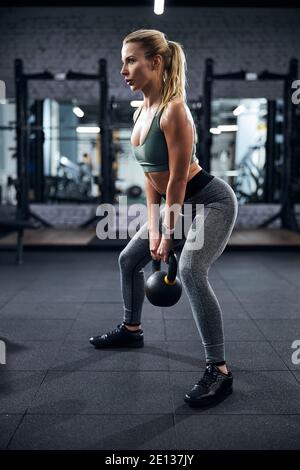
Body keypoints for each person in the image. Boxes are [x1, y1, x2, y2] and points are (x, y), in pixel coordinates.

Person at [90, 29, 238, 407]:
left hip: (209, 202)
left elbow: (176, 179)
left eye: (131, 60)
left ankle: (218, 371)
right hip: (175, 203)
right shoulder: (141, 112)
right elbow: (150, 178)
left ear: (155, 63)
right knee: (129, 259)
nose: (123, 69)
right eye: (123, 60)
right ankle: (132, 328)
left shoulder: (174, 110)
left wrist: (168, 235)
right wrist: (155, 231)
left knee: (189, 271)